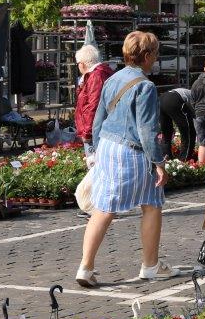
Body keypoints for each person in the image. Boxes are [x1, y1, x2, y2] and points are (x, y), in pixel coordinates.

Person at [77, 31, 178, 288]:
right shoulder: (145, 86)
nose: (156, 59)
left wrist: (96, 152)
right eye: (154, 54)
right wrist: (159, 163)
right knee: (152, 203)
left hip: (109, 147)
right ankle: (151, 265)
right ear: (146, 56)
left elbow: (98, 118)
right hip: (131, 151)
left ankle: (85, 267)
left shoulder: (113, 79)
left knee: (103, 208)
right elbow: (147, 130)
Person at [73, 45, 115, 155]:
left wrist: (87, 133)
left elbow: (93, 105)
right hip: (102, 128)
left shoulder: (96, 76)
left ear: (82, 64)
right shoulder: (101, 73)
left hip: (96, 131)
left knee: (94, 164)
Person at [159, 86, 195, 161]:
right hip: (174, 99)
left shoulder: (189, 92)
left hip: (162, 99)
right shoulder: (198, 98)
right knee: (188, 133)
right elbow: (197, 116)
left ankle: (166, 157)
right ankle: (184, 160)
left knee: (166, 134)